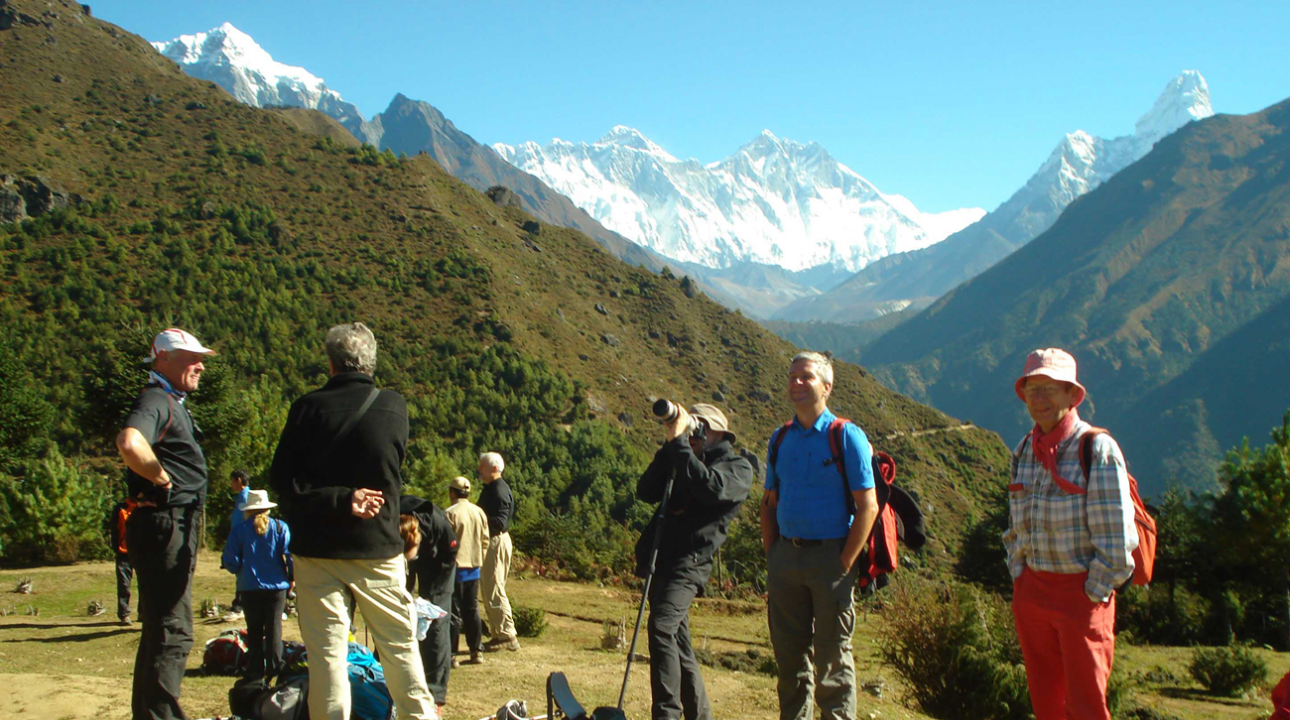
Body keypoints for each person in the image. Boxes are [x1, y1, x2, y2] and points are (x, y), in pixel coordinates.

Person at [269, 322, 437, 720]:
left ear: (330, 363)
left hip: (317, 551)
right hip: (377, 547)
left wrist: (340, 499)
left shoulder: (307, 408)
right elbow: (391, 466)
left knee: (327, 659)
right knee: (400, 650)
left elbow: (282, 482)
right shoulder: (393, 406)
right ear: (370, 362)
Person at [1004, 348, 1137, 720]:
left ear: (1071, 395)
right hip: (1032, 594)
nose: (1039, 399)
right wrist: (1020, 577)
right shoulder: (1025, 450)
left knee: (1086, 708)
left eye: (1049, 389)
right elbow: (1016, 524)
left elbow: (1118, 541)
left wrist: (1091, 594)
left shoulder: (1096, 449)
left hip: (1082, 598)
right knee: (1047, 705)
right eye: (1033, 389)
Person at [759, 351, 879, 720]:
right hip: (786, 559)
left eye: (806, 377)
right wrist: (774, 554)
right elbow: (768, 502)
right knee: (789, 657)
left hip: (830, 559)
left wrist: (844, 563)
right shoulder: (780, 439)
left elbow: (868, 506)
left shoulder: (845, 436)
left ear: (826, 387)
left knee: (832, 660)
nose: (796, 383)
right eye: (791, 376)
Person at [114, 327, 217, 720]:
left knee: (161, 628)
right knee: (173, 630)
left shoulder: (169, 399)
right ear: (163, 359)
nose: (201, 365)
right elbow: (129, 442)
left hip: (166, 525)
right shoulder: (156, 398)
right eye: (191, 357)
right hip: (166, 523)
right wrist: (162, 479)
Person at [636, 403, 752, 720]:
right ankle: (699, 716)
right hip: (662, 559)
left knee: (661, 627)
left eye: (697, 427)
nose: (693, 434)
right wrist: (671, 446)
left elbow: (710, 488)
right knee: (678, 641)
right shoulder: (682, 457)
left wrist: (681, 447)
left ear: (715, 431)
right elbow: (645, 491)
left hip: (690, 563)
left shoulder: (738, 467)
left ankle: (667, 714)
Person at [221, 489, 292, 682]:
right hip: (276, 587)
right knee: (274, 629)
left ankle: (255, 670)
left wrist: (239, 570)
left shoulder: (239, 531)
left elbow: (231, 560)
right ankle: (275, 668)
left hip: (249, 586)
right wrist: (292, 578)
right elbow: (290, 556)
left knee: (254, 630)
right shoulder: (280, 528)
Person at [403, 494, 459, 711]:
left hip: (442, 565)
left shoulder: (438, 526)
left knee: (436, 621)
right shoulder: (390, 523)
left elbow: (452, 550)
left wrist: (433, 595)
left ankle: (435, 692)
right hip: (418, 557)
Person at [444, 476, 488, 667]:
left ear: (452, 492)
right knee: (472, 611)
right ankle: (476, 651)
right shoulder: (479, 512)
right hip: (474, 569)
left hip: (455, 569)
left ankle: (452, 654)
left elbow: (445, 542)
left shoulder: (449, 513)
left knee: (453, 613)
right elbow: (485, 540)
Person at [478, 451, 519, 652]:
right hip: (491, 542)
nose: (479, 469)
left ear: (494, 468)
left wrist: (477, 521)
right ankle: (497, 634)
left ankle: (507, 635)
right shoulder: (492, 489)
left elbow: (500, 522)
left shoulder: (498, 491)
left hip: (495, 541)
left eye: (482, 466)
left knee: (494, 587)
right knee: (488, 588)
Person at [224, 468, 252, 621]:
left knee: (242, 572)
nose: (231, 484)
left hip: (243, 540)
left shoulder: (246, 497)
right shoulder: (241, 497)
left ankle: (239, 606)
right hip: (239, 539)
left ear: (239, 480)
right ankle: (240, 604)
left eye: (232, 481)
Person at [106, 496, 138, 625]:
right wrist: (116, 548)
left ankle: (144, 613)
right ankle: (124, 614)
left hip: (142, 552)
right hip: (123, 552)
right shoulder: (120, 508)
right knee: (124, 585)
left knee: (145, 585)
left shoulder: (145, 507)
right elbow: (114, 528)